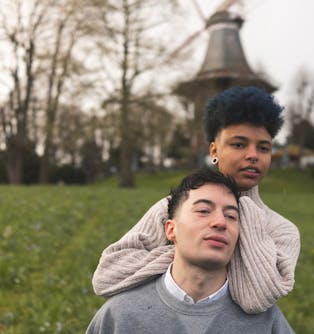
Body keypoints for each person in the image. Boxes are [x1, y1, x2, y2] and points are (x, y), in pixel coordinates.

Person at [92, 86, 300, 313]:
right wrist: (185, 257)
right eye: (238, 144)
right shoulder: (173, 209)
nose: (253, 155)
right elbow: (107, 275)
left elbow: (255, 298)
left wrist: (244, 211)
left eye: (263, 148)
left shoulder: (282, 231)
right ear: (214, 150)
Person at [86, 169, 294, 333]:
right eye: (203, 211)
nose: (220, 222)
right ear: (171, 229)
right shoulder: (121, 316)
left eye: (231, 216)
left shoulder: (267, 324)